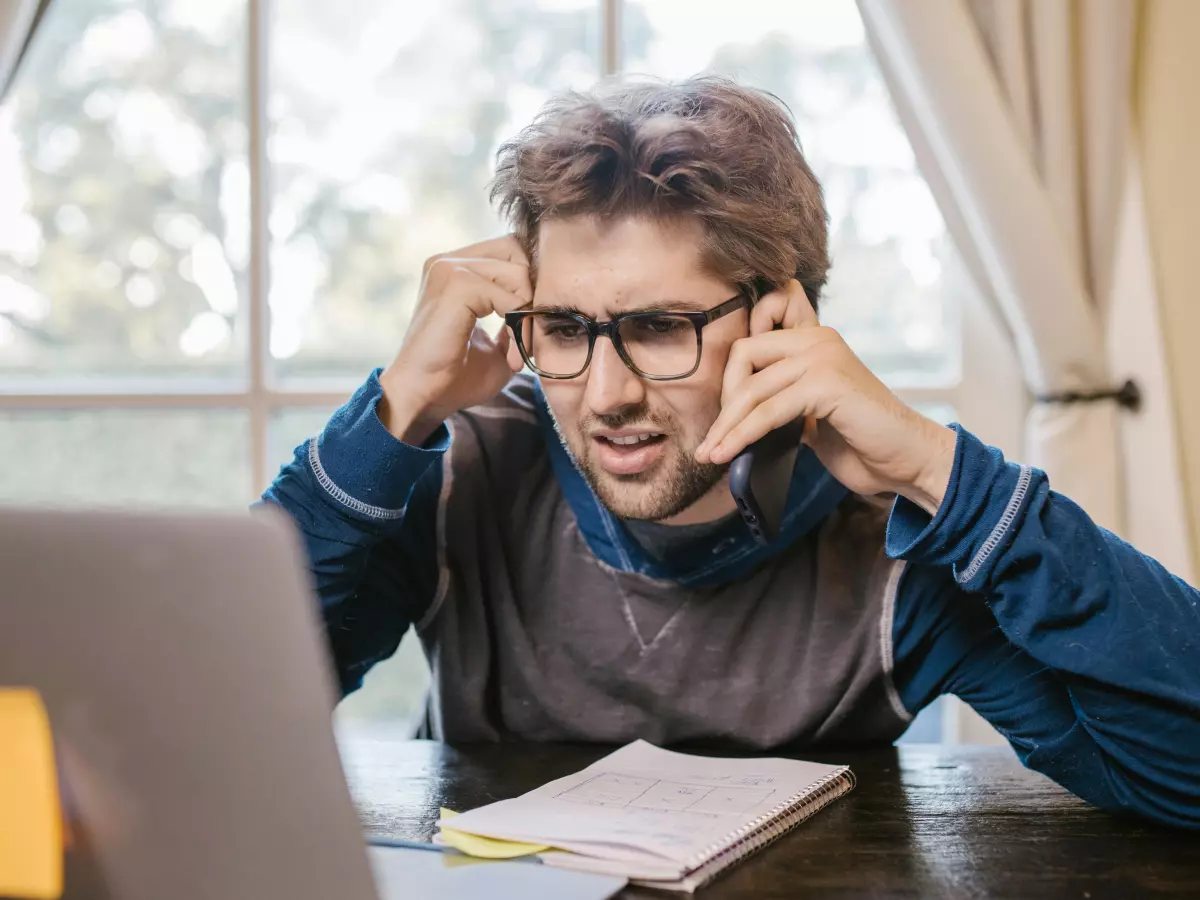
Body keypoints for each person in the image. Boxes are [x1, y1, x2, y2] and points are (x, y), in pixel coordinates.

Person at [263, 77, 1200, 828]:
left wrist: (936, 470)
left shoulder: (896, 547)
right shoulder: (460, 471)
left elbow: (1182, 778)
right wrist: (392, 417)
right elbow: (212, 726)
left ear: (779, 322)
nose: (607, 393)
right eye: (564, 328)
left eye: (663, 327)